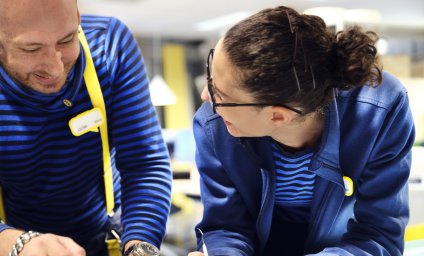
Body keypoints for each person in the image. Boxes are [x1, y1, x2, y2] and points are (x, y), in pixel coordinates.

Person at [189, 5, 415, 256]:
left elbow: (379, 236)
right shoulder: (214, 123)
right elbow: (226, 225)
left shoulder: (380, 110)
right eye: (211, 77)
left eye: (220, 95)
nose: (205, 97)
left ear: (277, 115)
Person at [0, 0, 172, 255]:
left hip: (107, 242)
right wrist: (14, 243)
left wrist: (140, 244)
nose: (55, 68)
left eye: (67, 40)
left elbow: (144, 164)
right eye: (32, 48)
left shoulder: (110, 46)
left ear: (78, 17)